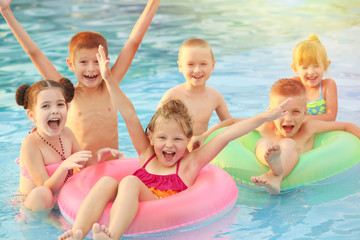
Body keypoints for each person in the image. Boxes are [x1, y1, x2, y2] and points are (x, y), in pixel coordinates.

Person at [57, 45, 291, 240]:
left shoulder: (190, 164)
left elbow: (226, 134)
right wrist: (108, 78)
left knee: (128, 182)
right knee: (107, 181)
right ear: (151, 137)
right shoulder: (146, 154)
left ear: (187, 140)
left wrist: (265, 116)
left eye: (177, 139)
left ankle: (112, 236)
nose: (169, 145)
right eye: (162, 138)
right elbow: (128, 112)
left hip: (164, 214)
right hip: (132, 198)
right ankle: (78, 233)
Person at [0, 0, 160, 166]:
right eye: (83, 62)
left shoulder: (110, 86)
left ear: (106, 62)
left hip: (113, 166)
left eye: (97, 61)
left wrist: (154, 2)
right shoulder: (67, 94)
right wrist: (5, 11)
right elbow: (34, 53)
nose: (91, 68)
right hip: (82, 175)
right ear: (71, 65)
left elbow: (134, 42)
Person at [196, 78, 360, 194]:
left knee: (288, 143)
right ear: (271, 112)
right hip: (264, 188)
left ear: (305, 112)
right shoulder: (263, 125)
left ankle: (274, 174)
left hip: (300, 189)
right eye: (282, 112)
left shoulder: (309, 126)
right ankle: (272, 162)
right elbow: (231, 122)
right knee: (262, 142)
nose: (288, 118)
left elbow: (347, 126)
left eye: (296, 112)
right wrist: (205, 136)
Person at [15, 78, 122, 212]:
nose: (54, 110)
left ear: (67, 107)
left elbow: (84, 166)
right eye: (45, 106)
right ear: (32, 115)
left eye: (60, 104)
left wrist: (98, 158)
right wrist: (64, 166)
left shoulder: (67, 134)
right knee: (41, 193)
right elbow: (46, 187)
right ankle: (50, 220)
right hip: (35, 206)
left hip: (63, 198)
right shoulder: (30, 144)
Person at [158, 38, 232, 138]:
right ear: (180, 66)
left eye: (203, 64)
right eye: (190, 64)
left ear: (213, 65)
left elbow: (230, 125)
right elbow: (156, 129)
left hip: (202, 147)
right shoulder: (172, 96)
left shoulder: (215, 96)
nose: (197, 70)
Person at [291, 34, 338, 121]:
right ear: (295, 69)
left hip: (321, 130)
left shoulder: (327, 86)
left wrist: (304, 119)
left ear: (326, 65)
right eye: (305, 67)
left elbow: (331, 116)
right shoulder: (294, 84)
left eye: (316, 66)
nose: (311, 72)